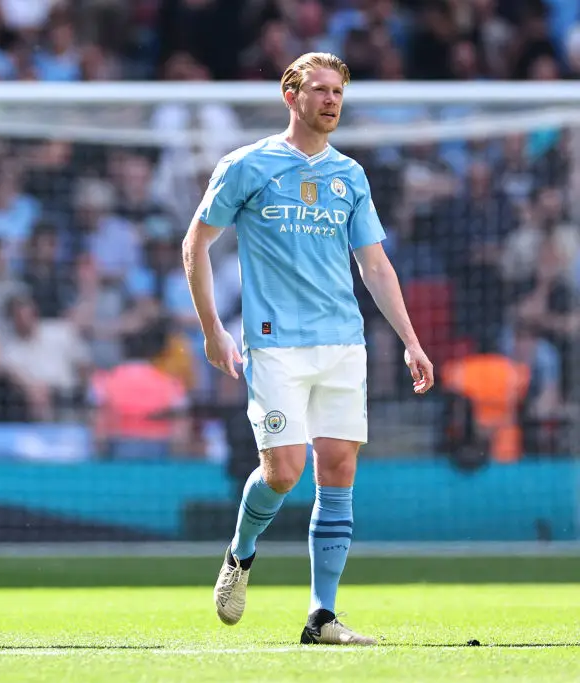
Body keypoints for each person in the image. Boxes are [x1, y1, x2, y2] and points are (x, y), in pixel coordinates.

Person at [181, 53, 434, 646]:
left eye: (338, 92)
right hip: (273, 346)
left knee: (339, 471)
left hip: (344, 342)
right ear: (290, 96)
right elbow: (196, 243)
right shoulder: (247, 165)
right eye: (319, 90)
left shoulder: (351, 174)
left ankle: (322, 616)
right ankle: (241, 554)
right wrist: (212, 329)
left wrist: (410, 341)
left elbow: (374, 264)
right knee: (284, 471)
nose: (331, 101)